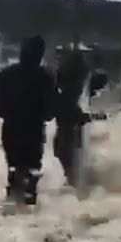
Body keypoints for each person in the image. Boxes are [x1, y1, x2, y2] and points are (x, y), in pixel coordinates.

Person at [0, 35, 62, 205]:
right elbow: (51, 106)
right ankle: (28, 207)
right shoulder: (45, 78)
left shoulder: (8, 74)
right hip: (33, 130)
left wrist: (7, 114)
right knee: (31, 168)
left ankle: (12, 200)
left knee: (14, 165)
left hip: (11, 128)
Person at [53, 47, 94, 185]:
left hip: (67, 123)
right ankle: (73, 180)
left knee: (65, 150)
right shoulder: (74, 82)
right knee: (68, 151)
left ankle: (72, 180)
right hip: (69, 123)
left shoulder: (68, 82)